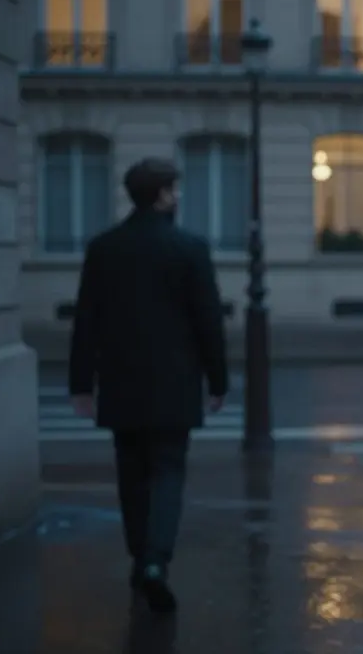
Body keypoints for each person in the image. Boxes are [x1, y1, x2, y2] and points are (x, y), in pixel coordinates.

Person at [69, 158, 228, 615]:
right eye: (173, 190)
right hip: (175, 383)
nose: (178, 197)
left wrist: (82, 383)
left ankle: (140, 556)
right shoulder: (190, 249)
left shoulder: (104, 248)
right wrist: (217, 380)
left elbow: (86, 320)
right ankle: (156, 560)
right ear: (160, 194)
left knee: (130, 473)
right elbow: (207, 322)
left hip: (120, 380)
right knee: (168, 471)